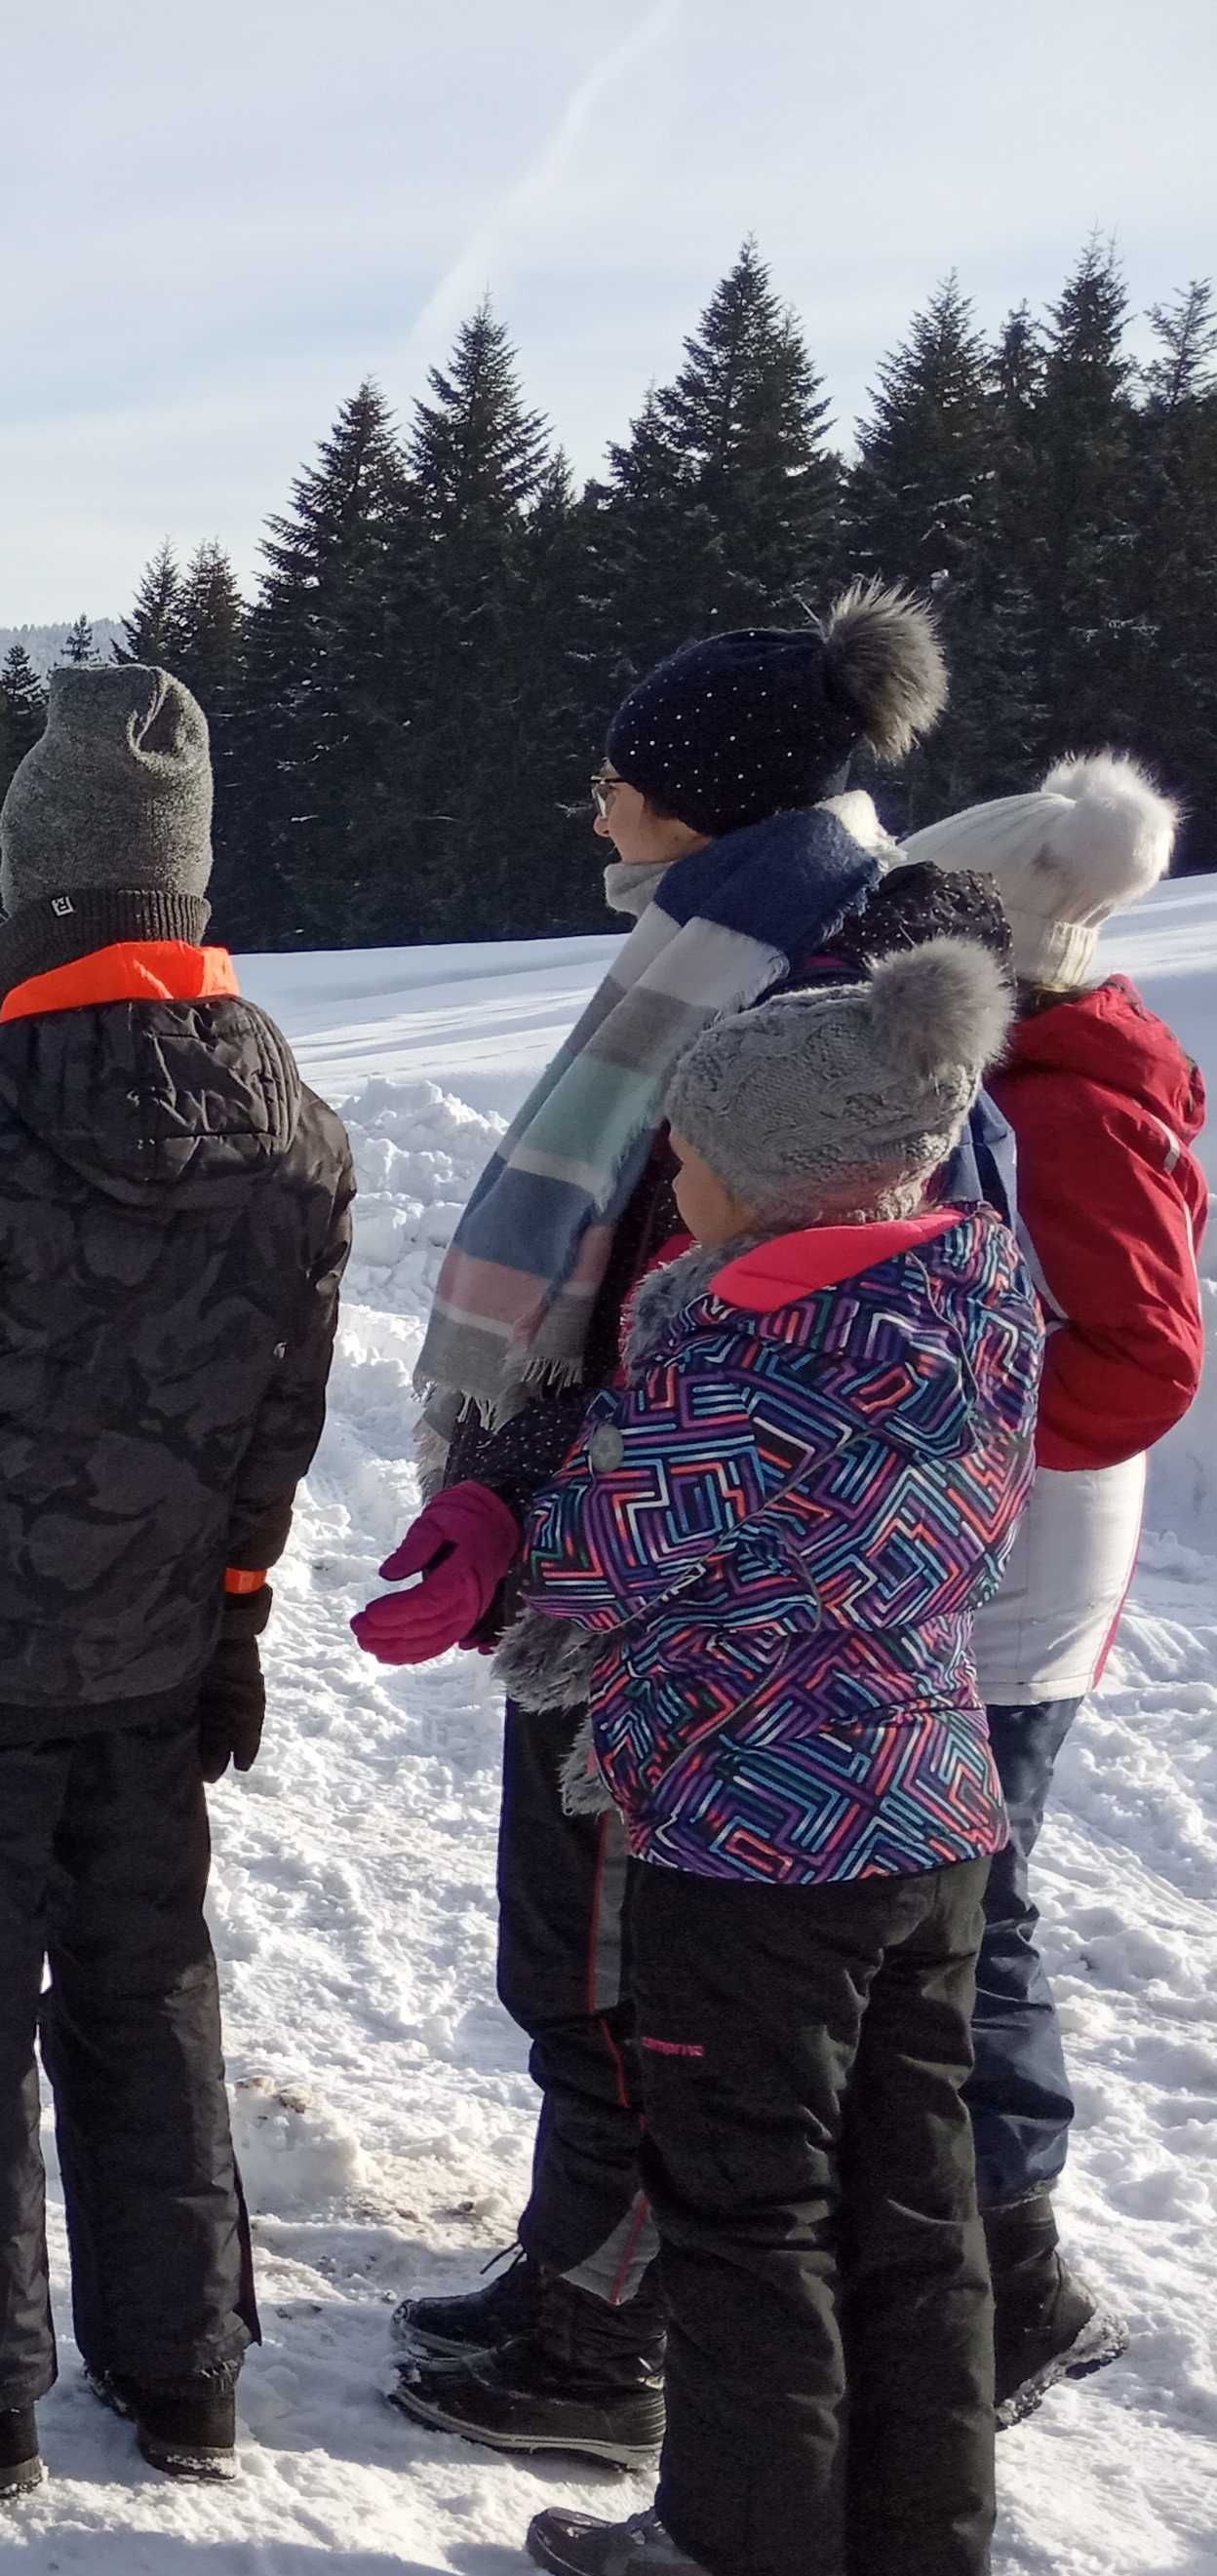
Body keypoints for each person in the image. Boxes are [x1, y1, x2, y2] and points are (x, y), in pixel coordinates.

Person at [362, 582, 951, 2469]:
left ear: (698, 791)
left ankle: (601, 2332)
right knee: (579, 1941)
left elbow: (677, 1304)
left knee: (613, 1959)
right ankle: (578, 2268)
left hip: (685, 1582)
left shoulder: (792, 982)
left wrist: (540, 1495)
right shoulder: (743, 937)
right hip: (630, 1529)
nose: (597, 796)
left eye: (623, 770)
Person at [0, 665, 352, 2498]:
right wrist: (239, 1607)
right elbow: (283, 1421)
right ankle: (183, 2370)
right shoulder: (297, 1131)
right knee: (148, 1993)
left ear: (33, 896)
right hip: (162, 1659)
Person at [511, 939, 1037, 2576]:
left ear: (787, 1174)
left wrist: (521, 1515)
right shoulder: (974, 1294)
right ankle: (916, 2560)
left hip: (754, 1823)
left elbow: (604, 1547)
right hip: (928, 1800)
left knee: (748, 2185)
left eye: (696, 1144)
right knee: (913, 2184)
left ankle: (741, 2541)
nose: (677, 1167)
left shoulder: (757, 1348)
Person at [900, 752, 1201, 2418]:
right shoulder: (1045, 1074)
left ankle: (1018, 2272)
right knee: (960, 1895)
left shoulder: (1068, 1100)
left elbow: (1142, 1362)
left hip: (1015, 1571)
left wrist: (957, 1435)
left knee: (979, 1906)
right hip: (994, 1548)